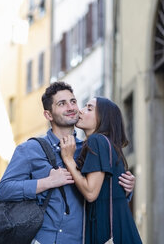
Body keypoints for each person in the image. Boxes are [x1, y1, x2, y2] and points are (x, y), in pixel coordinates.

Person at [0, 82, 136, 244]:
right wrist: (46, 182)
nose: (71, 107)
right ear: (48, 115)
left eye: (73, 101)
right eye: (62, 104)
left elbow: (100, 195)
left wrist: (125, 189)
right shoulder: (30, 149)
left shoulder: (89, 149)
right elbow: (4, 190)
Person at [60, 97, 142, 244]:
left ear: (103, 118)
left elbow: (91, 193)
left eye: (89, 108)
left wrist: (68, 160)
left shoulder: (96, 141)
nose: (81, 111)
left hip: (107, 232)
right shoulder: (110, 145)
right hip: (120, 228)